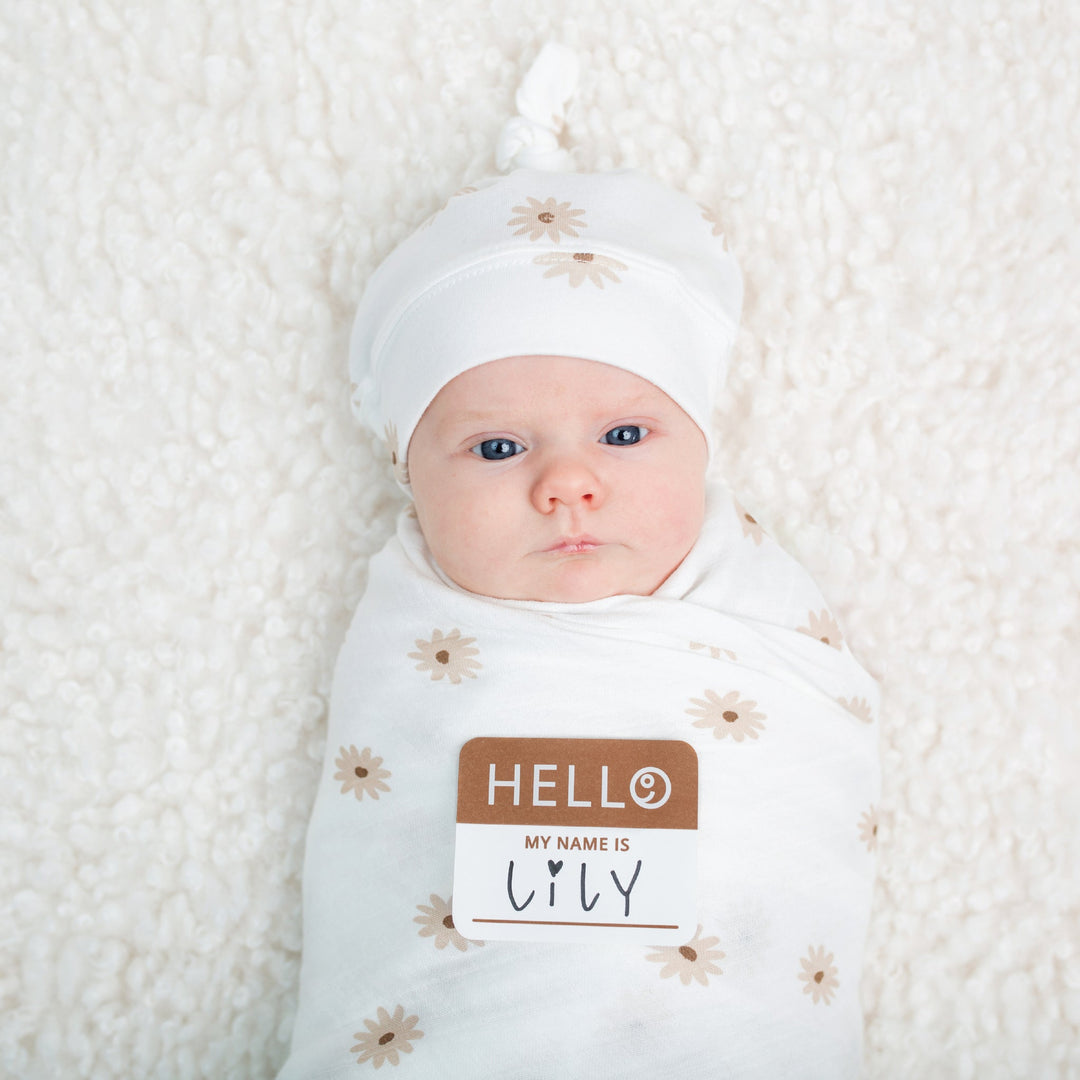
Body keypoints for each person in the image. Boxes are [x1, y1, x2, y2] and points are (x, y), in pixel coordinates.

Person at [277, 46, 880, 1080]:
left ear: (702, 444)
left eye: (625, 437)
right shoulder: (406, 640)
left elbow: (798, 808)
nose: (567, 484)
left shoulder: (770, 634)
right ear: (409, 475)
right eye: (499, 449)